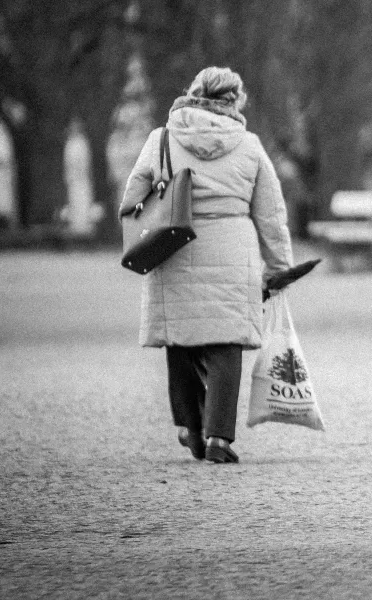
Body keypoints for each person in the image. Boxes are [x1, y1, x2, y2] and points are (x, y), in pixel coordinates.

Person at [121, 66, 293, 465]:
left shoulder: (160, 139)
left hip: (173, 246)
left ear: (194, 93)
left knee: (180, 340)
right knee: (226, 345)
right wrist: (279, 266)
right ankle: (219, 437)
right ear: (234, 101)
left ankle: (189, 426)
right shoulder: (248, 145)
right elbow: (270, 213)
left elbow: (132, 198)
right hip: (234, 251)